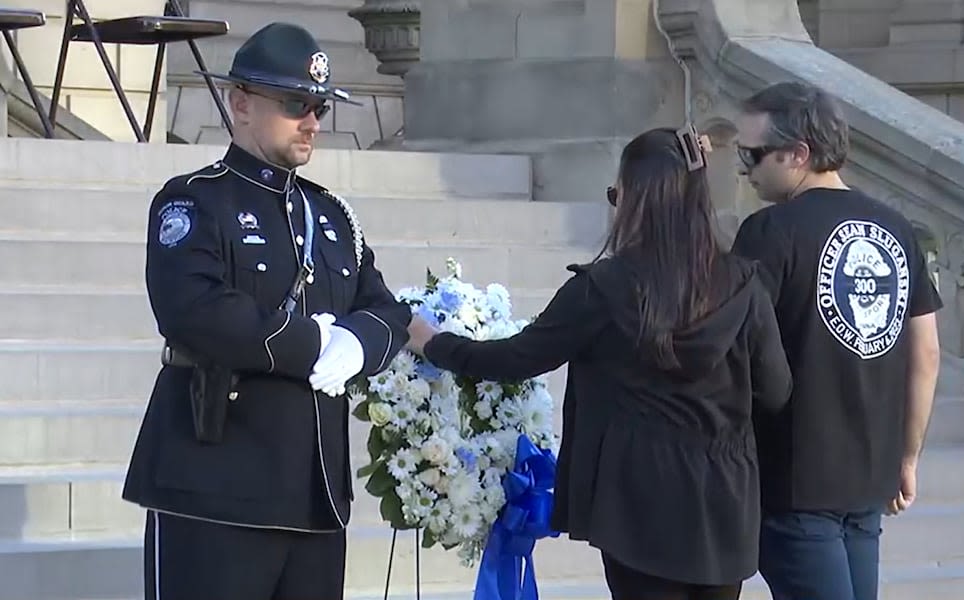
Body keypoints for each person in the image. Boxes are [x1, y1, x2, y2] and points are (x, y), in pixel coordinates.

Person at [404, 126, 792, 600]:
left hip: (637, 504)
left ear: (636, 204)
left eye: (617, 195)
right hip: (723, 501)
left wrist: (434, 342)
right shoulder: (744, 286)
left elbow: (517, 358)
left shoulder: (603, 289)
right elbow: (775, 391)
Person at [120, 22, 411, 600]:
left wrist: (355, 345)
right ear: (241, 104)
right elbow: (194, 310)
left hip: (314, 494)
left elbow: (385, 310)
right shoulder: (196, 200)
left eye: (320, 107)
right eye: (296, 104)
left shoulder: (331, 217)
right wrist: (313, 346)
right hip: (217, 487)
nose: (312, 122)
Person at [728, 81, 943, 600]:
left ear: (798, 153)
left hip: (793, 476)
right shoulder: (896, 228)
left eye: (753, 155)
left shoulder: (768, 232)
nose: (745, 169)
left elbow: (734, 350)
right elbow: (927, 354)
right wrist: (907, 456)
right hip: (868, 474)